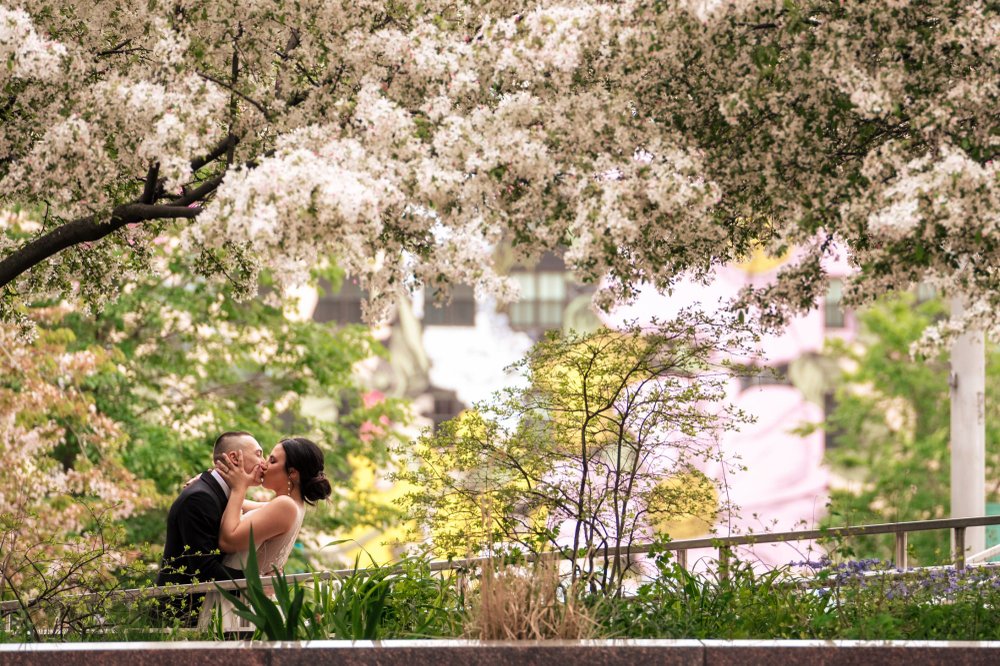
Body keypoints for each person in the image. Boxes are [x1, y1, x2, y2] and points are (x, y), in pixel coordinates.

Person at [198, 437, 332, 629]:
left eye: (272, 460)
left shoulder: (284, 505)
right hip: (248, 599)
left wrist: (239, 487)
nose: (264, 464)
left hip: (239, 604)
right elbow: (238, 504)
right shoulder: (291, 505)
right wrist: (209, 483)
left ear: (292, 473)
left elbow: (228, 541)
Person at [156, 431, 267, 625]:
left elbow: (273, 510)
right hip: (181, 619)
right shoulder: (199, 498)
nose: (264, 463)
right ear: (234, 458)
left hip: (211, 612)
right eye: (258, 454)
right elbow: (205, 569)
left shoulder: (221, 493)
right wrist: (258, 582)